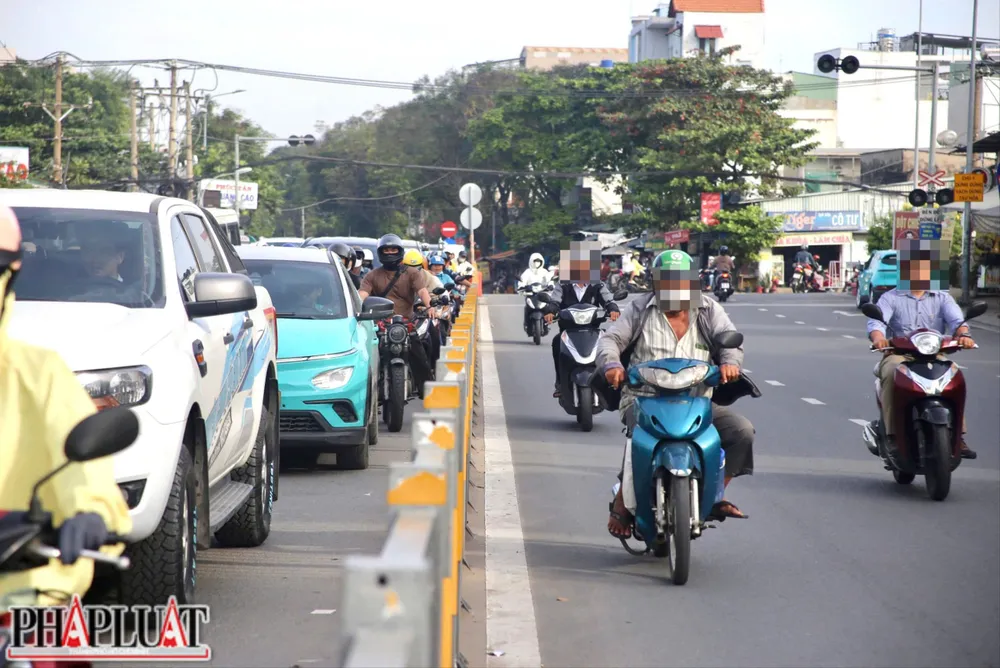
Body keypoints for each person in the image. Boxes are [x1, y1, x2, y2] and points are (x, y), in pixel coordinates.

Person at [0, 204, 133, 607]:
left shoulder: (38, 373)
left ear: (13, 272)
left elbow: (82, 470)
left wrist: (89, 513)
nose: (95, 258)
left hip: (20, 598)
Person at [596, 249, 755, 538]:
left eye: (681, 281)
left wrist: (730, 363)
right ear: (656, 283)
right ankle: (623, 501)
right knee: (638, 439)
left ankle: (715, 494)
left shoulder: (708, 310)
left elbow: (730, 340)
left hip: (697, 401)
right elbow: (611, 339)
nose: (675, 288)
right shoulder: (640, 309)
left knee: (741, 431)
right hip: (644, 399)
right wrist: (612, 365)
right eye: (667, 281)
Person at [865, 239, 977, 459]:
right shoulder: (890, 298)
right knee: (890, 373)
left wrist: (964, 335)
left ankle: (958, 436)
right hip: (900, 355)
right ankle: (892, 436)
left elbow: (957, 322)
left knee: (956, 376)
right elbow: (876, 324)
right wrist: (879, 339)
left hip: (935, 354)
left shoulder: (942, 298)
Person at [359, 235, 435, 394]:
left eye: (393, 249)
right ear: (381, 252)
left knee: (419, 355)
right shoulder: (372, 275)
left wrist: (430, 306)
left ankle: (427, 389)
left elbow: (422, 291)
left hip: (406, 323)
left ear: (400, 251)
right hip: (379, 324)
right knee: (365, 358)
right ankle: (365, 393)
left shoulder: (412, 273)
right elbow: (362, 294)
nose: (390, 252)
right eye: (386, 249)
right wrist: (355, 308)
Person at [544, 241, 621, 397]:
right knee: (556, 343)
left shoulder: (597, 285)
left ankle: (613, 378)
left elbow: (608, 300)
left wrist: (613, 308)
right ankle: (560, 382)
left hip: (593, 331)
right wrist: (551, 310)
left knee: (611, 344)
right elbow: (554, 300)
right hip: (568, 330)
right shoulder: (563, 284)